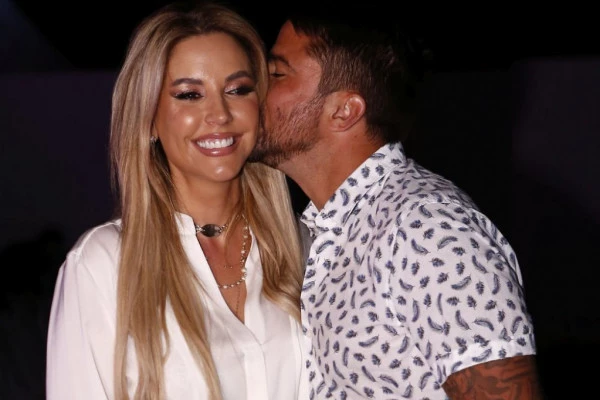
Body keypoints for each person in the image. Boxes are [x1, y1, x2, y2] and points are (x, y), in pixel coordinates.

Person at [249, 5, 543, 399]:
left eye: (277, 74)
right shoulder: (324, 230)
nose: (255, 89)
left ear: (344, 111)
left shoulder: (428, 229)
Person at [46, 2, 308, 399]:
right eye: (189, 95)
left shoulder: (303, 245)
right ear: (150, 117)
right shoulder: (104, 265)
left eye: (237, 90)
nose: (219, 114)